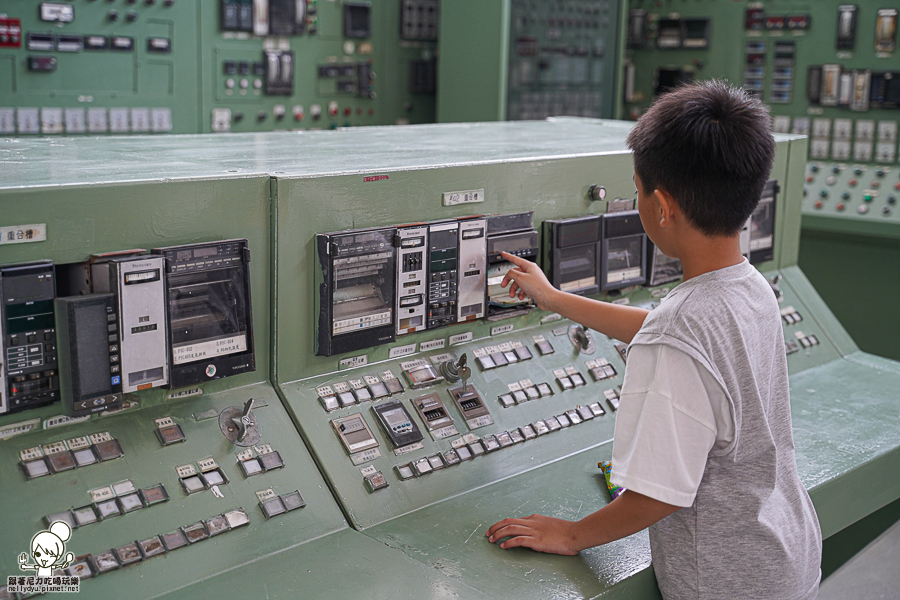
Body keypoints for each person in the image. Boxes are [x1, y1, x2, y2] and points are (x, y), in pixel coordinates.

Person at [485, 80, 822, 600]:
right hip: (782, 549)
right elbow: (671, 332)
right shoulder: (747, 285)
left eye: (636, 189)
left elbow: (659, 495)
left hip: (725, 580)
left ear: (661, 205)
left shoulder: (682, 331)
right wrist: (553, 299)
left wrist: (573, 535)